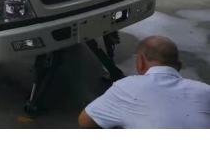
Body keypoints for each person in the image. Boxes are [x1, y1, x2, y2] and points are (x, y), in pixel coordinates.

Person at [78, 35, 210, 129]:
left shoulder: (127, 86)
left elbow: (85, 121)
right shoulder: (205, 90)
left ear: (140, 62)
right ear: (179, 66)